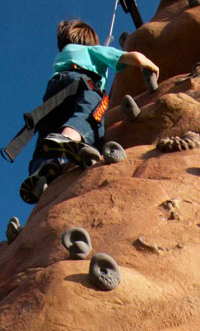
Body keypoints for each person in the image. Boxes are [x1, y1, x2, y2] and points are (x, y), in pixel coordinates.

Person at [20, 18, 159, 205]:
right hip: (83, 84)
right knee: (90, 115)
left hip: (54, 93)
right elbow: (128, 57)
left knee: (48, 128)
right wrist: (147, 63)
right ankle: (68, 138)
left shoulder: (62, 55)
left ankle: (40, 172)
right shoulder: (93, 50)